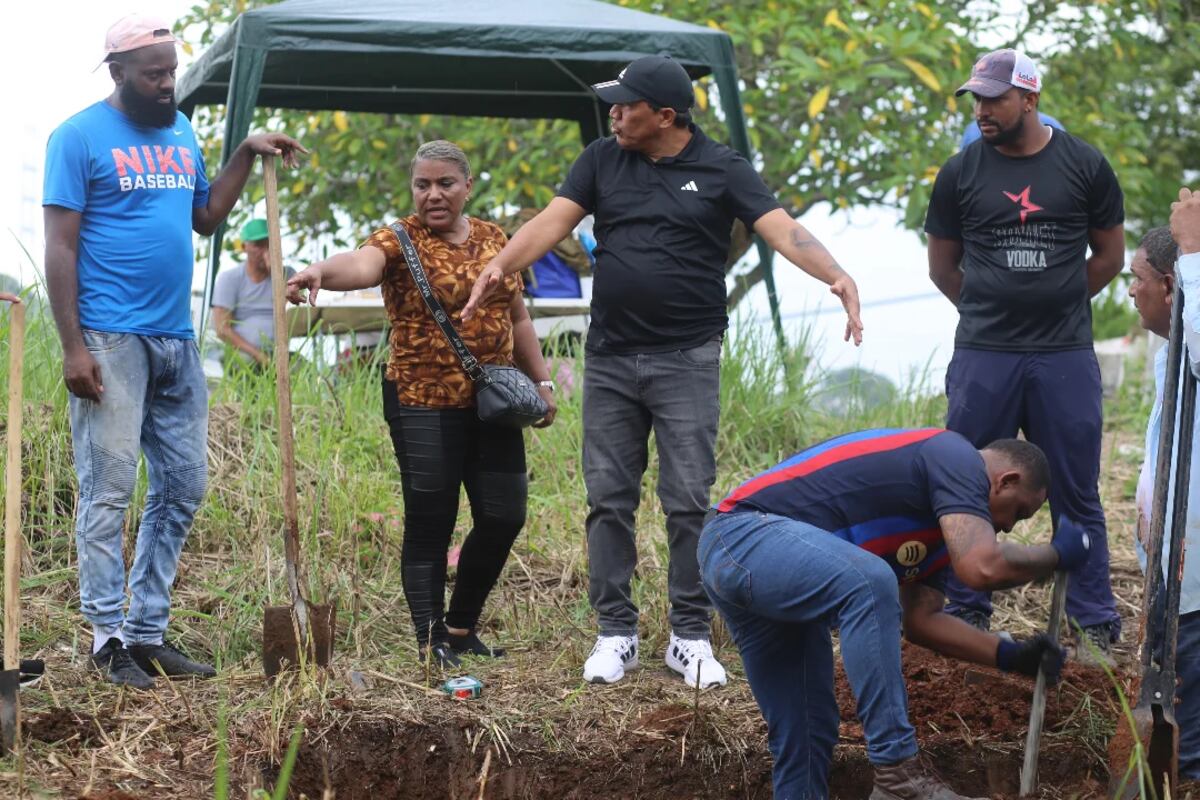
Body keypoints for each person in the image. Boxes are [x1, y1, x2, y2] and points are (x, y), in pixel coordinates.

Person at [460, 54, 863, 689]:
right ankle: (615, 633)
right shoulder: (600, 158)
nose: (614, 114)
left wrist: (836, 274)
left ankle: (690, 636)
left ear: (665, 116)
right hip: (613, 356)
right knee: (609, 500)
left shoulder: (722, 167)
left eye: (626, 105)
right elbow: (552, 220)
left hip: (689, 359)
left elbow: (783, 231)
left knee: (687, 503)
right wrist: (500, 266)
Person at [42, 13, 306, 688]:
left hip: (175, 338)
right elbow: (61, 246)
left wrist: (244, 152)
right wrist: (73, 347)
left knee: (184, 484)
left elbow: (206, 216)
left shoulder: (183, 130)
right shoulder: (76, 138)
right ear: (119, 73)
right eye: (155, 74)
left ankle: (146, 631)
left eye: (172, 70)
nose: (168, 84)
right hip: (109, 337)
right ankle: (105, 639)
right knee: (109, 489)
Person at [702, 429, 1090, 799]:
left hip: (762, 571)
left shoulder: (939, 534)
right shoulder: (955, 457)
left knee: (808, 726)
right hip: (743, 534)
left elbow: (922, 623)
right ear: (1004, 480)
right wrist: (1055, 555)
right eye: (1018, 513)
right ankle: (898, 773)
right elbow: (981, 568)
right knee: (870, 583)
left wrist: (1011, 656)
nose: (1006, 527)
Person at [287, 140, 557, 668]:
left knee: (504, 516)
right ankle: (429, 638)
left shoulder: (494, 239)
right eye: (422, 184)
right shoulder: (398, 239)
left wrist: (542, 383)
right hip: (421, 399)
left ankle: (460, 627)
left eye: (445, 183)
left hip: (494, 400)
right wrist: (320, 272)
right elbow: (361, 265)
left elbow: (518, 317)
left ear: (467, 186)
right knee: (431, 519)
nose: (433, 194)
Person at [924, 48, 1126, 662]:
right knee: (964, 479)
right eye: (977, 99)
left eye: (994, 98)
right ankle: (963, 606)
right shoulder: (960, 172)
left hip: (1063, 353)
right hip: (985, 353)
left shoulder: (1085, 165)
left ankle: (1093, 624)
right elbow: (942, 267)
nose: (983, 109)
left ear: (1030, 99)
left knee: (1075, 486)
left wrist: (1057, 305)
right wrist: (992, 314)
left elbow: (1109, 257)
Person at [1128, 206, 1200, 780]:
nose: (1131, 292)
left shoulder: (1193, 347)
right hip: (1175, 583)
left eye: (1139, 279)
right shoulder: (1164, 359)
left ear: (1171, 288)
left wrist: (1194, 251)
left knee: (1192, 748)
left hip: (1196, 588)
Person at [212, 218, 293, 369]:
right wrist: (258, 355)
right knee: (247, 363)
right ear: (244, 247)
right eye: (258, 245)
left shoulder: (288, 274)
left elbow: (293, 312)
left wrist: (276, 272)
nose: (265, 251)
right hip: (243, 351)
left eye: (269, 243)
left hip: (280, 352)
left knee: (305, 370)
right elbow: (222, 328)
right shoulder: (229, 278)